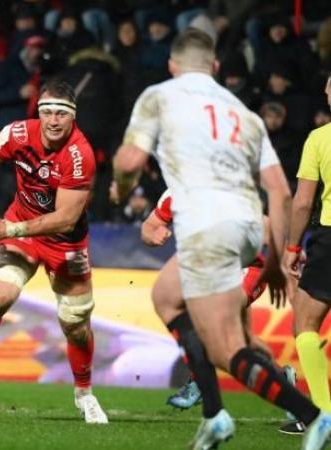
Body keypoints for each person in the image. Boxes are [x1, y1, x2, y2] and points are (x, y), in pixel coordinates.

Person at [111, 28, 331, 449]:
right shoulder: (244, 114)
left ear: (172, 67)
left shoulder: (159, 95)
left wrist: (121, 185)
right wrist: (278, 259)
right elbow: (281, 193)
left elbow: (131, 160)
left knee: (220, 344)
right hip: (253, 225)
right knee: (175, 301)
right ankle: (215, 414)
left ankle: (311, 416)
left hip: (208, 222)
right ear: (214, 68)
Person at [0, 80, 107, 425]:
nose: (53, 120)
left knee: (75, 325)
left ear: (72, 118)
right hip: (20, 228)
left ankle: (84, 394)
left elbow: (65, 219)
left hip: (66, 243)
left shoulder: (80, 155)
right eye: (47, 112)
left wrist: (7, 229)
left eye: (62, 113)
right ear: (38, 113)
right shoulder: (18, 133)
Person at [140, 188, 305, 434]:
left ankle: (199, 381)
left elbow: (263, 221)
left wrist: (288, 249)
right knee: (244, 342)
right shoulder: (175, 192)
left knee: (212, 319)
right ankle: (283, 380)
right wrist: (154, 235)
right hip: (212, 268)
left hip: (250, 268)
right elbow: (149, 226)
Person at [283, 75, 331, 425]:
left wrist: (292, 246)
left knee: (306, 325)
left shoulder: (320, 139)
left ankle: (324, 414)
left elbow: (302, 203)